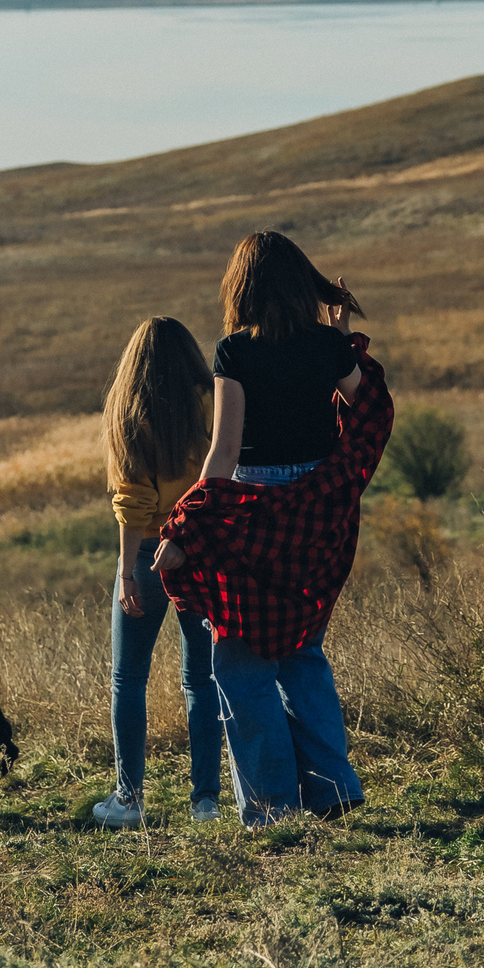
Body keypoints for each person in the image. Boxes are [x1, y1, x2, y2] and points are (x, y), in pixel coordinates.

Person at [152, 232, 391, 827]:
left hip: (251, 513)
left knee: (241, 662)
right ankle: (332, 789)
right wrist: (341, 341)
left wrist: (185, 524)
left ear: (243, 288)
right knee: (303, 650)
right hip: (318, 512)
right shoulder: (328, 347)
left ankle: (271, 808)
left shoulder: (235, 352)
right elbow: (369, 410)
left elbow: (224, 453)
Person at [88, 317, 226, 828]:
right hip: (200, 552)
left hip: (147, 550)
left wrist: (127, 572)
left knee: (128, 678)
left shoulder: (130, 413)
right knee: (202, 679)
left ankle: (129, 800)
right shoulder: (210, 402)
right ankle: (206, 802)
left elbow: (134, 503)